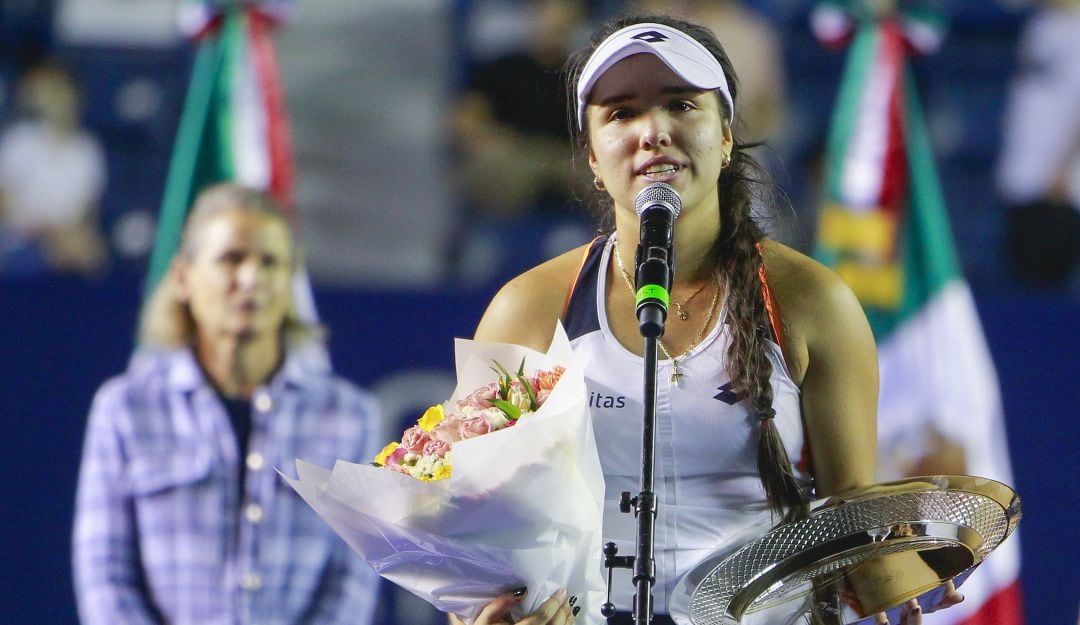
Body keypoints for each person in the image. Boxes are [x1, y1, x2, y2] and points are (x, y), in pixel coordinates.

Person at [462, 14, 962, 625]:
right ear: (592, 156)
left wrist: (895, 572)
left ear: (725, 135)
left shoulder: (812, 301)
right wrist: (486, 615)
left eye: (680, 105)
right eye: (621, 113)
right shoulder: (527, 309)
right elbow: (482, 541)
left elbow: (848, 512)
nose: (653, 132)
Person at [72, 184, 382, 625]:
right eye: (232, 258)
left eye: (271, 262)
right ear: (183, 277)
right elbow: (104, 577)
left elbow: (352, 581)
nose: (252, 278)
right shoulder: (124, 408)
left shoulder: (352, 415)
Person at [0, 60, 108, 277]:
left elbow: (88, 211)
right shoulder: (19, 141)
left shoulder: (88, 150)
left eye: (62, 93)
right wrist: (43, 231)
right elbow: (4, 204)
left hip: (67, 239)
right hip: (19, 238)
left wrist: (69, 236)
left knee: (94, 253)